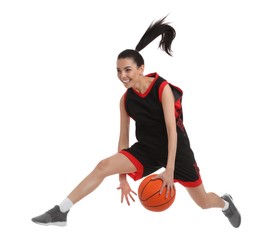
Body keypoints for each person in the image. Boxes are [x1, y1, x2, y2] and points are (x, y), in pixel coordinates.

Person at [32, 16, 241, 228]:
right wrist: (122, 177)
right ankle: (61, 211)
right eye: (118, 70)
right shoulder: (125, 101)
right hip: (147, 150)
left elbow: (172, 131)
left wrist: (169, 170)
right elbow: (123, 139)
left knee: (203, 202)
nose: (122, 75)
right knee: (103, 166)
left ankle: (226, 204)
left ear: (141, 68)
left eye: (128, 70)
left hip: (176, 151)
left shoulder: (162, 88)